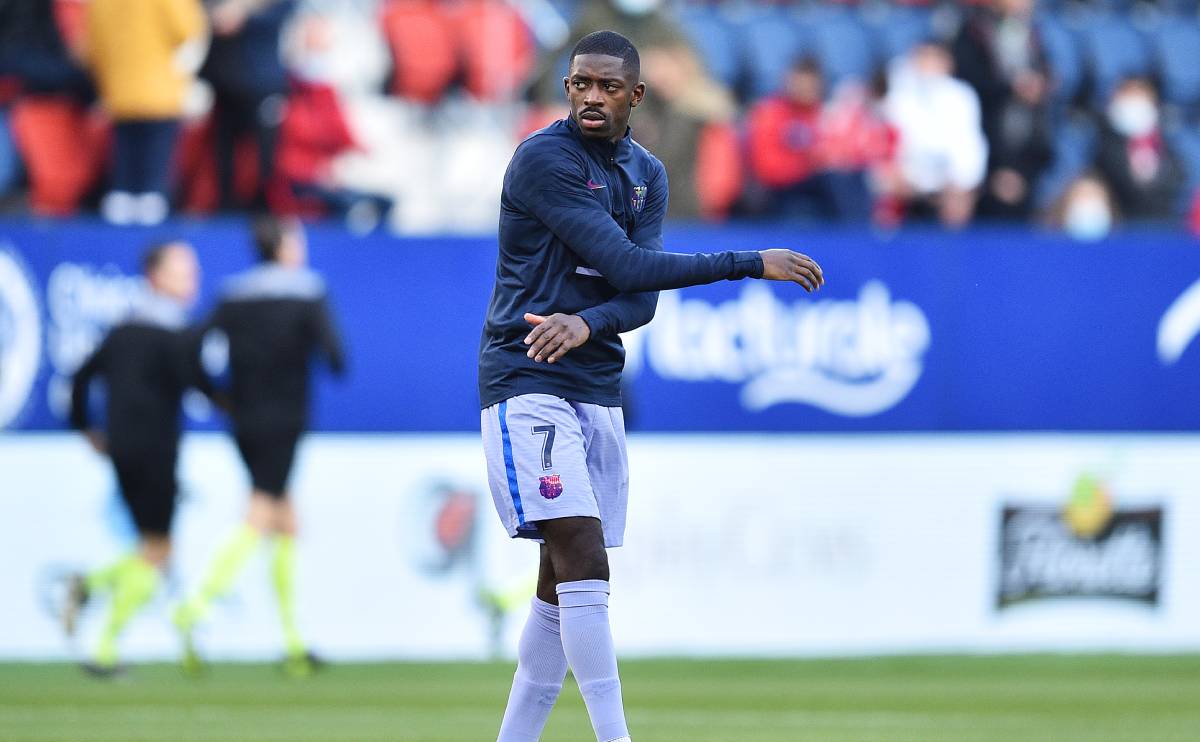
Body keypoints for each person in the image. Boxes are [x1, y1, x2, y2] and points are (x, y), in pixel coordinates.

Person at [479, 31, 823, 742]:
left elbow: (639, 302)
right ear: (567, 87)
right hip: (527, 377)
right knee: (581, 548)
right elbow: (629, 265)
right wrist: (749, 262)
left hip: (597, 385)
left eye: (608, 87)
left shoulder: (646, 175)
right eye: (580, 84)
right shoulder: (544, 160)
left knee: (560, 577)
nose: (592, 97)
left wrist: (587, 322)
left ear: (636, 96)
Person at [173, 216, 344, 678]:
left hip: (244, 418)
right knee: (262, 512)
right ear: (284, 246)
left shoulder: (234, 294)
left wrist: (216, 395)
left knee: (286, 521)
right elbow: (337, 356)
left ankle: (292, 645)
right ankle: (195, 605)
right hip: (286, 418)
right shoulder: (307, 292)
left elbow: (191, 348)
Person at [63, 241, 207, 676]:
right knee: (158, 550)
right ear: (156, 276)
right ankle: (102, 637)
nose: (191, 281)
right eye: (182, 271)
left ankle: (90, 591)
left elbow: (80, 377)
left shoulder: (124, 329)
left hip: (123, 448)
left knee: (154, 546)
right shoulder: (173, 331)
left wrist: (85, 427)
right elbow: (197, 381)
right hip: (157, 447)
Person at [83, 0, 207, 225]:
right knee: (154, 172)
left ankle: (120, 215)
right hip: (160, 92)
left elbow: (92, 44)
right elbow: (189, 30)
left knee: (125, 164)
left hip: (119, 92)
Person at [884, 40, 988, 228]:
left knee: (959, 200)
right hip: (909, 180)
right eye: (923, 58)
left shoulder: (962, 96)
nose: (927, 65)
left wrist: (960, 181)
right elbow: (891, 142)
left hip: (948, 183)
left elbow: (969, 145)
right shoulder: (899, 96)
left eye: (933, 58)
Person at [1094, 76, 1186, 222]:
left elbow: (1178, 179)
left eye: (1141, 97)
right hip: (1120, 226)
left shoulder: (1167, 147)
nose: (1135, 104)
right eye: (1129, 96)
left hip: (1162, 226)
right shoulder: (1103, 146)